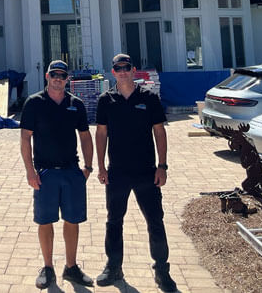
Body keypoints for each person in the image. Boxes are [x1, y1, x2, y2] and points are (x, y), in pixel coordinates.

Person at [94, 54, 177, 292]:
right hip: (117, 172)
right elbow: (101, 134)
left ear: (134, 70)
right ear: (113, 72)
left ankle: (162, 271)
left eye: (126, 67)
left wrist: (162, 166)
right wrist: (100, 166)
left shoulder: (148, 98)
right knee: (114, 221)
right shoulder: (105, 100)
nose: (122, 71)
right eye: (117, 68)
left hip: (146, 173)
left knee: (155, 221)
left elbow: (160, 132)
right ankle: (114, 266)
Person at [20, 60, 95, 289]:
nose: (58, 79)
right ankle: (48, 268)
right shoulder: (34, 103)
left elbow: (85, 136)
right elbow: (25, 138)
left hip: (72, 172)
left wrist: (88, 168)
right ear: (47, 76)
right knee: (45, 221)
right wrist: (30, 172)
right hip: (45, 174)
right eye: (54, 74)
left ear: (67, 79)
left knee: (72, 221)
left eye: (62, 76)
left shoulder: (76, 104)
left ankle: (71, 267)